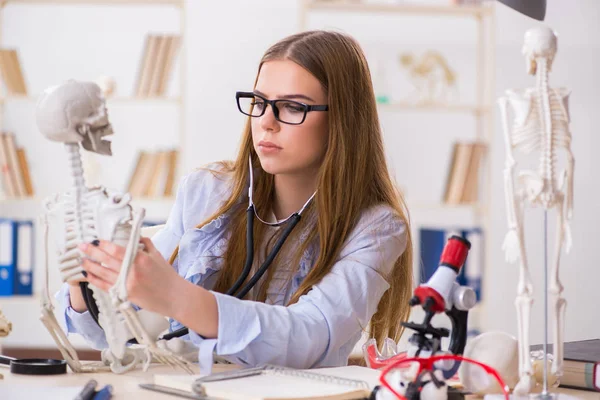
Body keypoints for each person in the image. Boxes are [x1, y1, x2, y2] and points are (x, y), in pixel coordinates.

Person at [56, 30, 413, 372]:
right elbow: (118, 334)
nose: (267, 122)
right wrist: (86, 284)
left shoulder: (377, 227)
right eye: (259, 102)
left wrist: (176, 296)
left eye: (292, 107)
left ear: (344, 119)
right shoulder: (206, 190)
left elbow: (311, 336)